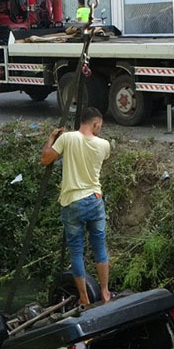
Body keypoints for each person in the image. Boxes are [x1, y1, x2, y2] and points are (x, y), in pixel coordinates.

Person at [40, 107, 112, 306]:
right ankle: (105, 292)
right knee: (99, 248)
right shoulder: (104, 145)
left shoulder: (67, 139)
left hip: (72, 202)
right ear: (96, 123)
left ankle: (84, 297)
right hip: (95, 199)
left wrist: (51, 139)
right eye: (100, 126)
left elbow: (45, 159)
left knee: (77, 251)